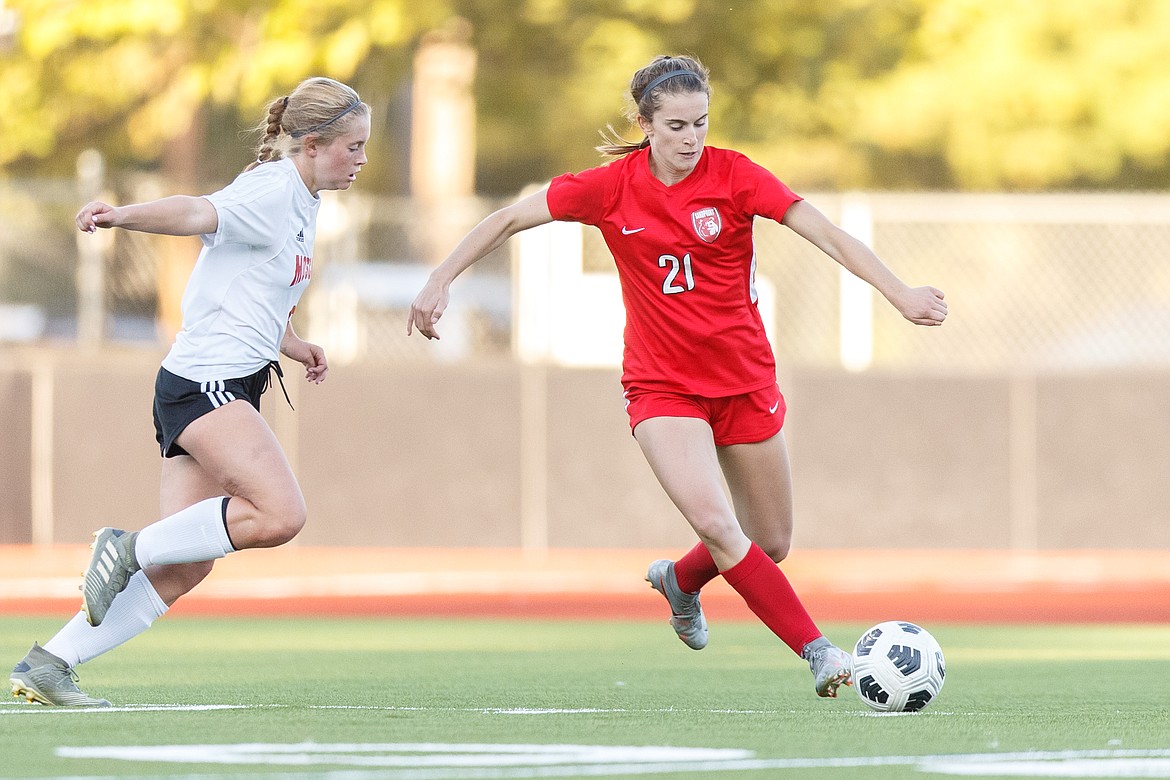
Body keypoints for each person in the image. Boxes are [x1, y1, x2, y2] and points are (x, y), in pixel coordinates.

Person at [407, 55, 947, 698]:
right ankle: (819, 652)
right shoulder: (609, 187)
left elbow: (825, 234)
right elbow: (507, 219)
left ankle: (681, 580)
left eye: (701, 123)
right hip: (662, 387)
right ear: (645, 124)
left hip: (745, 381)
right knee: (719, 526)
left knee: (768, 542)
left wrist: (899, 292)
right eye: (676, 126)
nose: (692, 139)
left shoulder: (736, 177)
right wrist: (440, 278)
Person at [10, 76, 370, 707]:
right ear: (311, 145)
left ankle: (50, 662)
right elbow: (198, 212)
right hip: (207, 383)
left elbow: (250, 284)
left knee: (183, 565)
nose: (362, 159)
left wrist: (292, 342)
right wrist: (122, 215)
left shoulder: (303, 198)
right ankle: (125, 546)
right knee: (280, 514)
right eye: (353, 146)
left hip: (217, 381)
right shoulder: (274, 189)